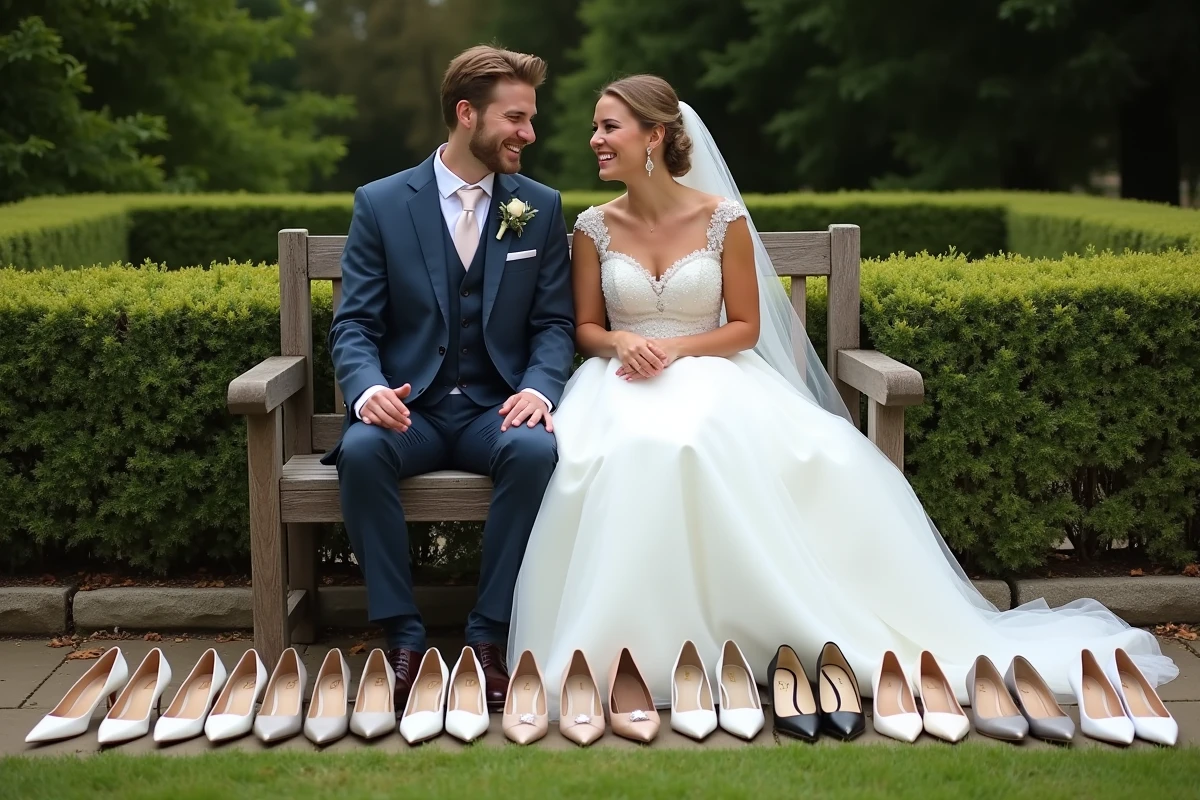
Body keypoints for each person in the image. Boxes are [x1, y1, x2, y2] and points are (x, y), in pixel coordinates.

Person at [506, 74, 1178, 723]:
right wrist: (623, 342)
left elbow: (745, 327)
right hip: (619, 382)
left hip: (711, 370)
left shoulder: (721, 219)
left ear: (654, 135)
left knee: (713, 442)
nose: (594, 139)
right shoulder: (592, 226)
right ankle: (637, 646)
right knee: (627, 450)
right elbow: (585, 327)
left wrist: (677, 349)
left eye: (608, 127)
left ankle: (758, 633)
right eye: (596, 127)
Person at [324, 45, 575, 711]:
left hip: (495, 411)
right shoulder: (381, 203)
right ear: (467, 114)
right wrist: (367, 389)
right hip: (413, 413)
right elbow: (355, 324)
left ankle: (488, 637)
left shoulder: (540, 206)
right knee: (361, 451)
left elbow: (554, 323)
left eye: (530, 118)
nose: (529, 133)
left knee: (535, 451)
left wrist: (539, 388)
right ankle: (403, 638)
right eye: (515, 118)